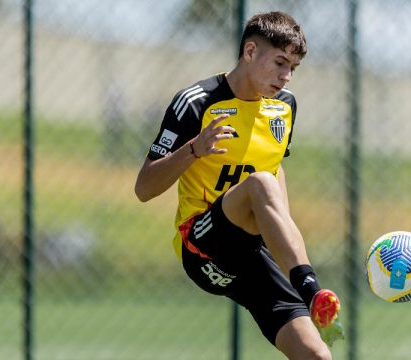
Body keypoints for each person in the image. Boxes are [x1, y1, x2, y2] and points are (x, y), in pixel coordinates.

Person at [134, 11, 344, 359]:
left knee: (317, 355)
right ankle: (311, 289)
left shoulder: (284, 108)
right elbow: (144, 188)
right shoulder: (197, 102)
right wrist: (194, 149)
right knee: (259, 183)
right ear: (250, 52)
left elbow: (275, 175)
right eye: (279, 62)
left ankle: (309, 293)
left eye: (293, 67)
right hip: (201, 243)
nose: (286, 76)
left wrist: (283, 244)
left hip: (250, 252)